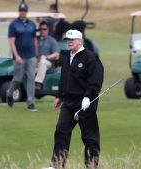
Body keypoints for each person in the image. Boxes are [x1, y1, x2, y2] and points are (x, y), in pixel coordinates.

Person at [43, 30, 104, 169]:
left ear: (80, 41)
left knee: (89, 137)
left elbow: (96, 80)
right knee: (61, 131)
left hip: (85, 102)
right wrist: (59, 96)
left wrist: (88, 96)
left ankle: (92, 165)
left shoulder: (90, 57)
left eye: (72, 39)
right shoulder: (66, 57)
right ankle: (57, 165)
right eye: (67, 39)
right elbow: (63, 79)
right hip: (68, 102)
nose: (69, 41)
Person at [6, 3, 38, 111]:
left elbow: (34, 40)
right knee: (18, 79)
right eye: (21, 11)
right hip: (19, 57)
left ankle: (30, 102)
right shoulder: (13, 25)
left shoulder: (32, 24)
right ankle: (9, 93)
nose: (23, 12)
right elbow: (12, 42)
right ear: (19, 11)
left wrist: (36, 54)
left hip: (31, 56)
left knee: (31, 78)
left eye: (24, 11)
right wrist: (17, 56)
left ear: (27, 12)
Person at [35, 21, 60, 90]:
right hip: (37, 62)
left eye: (44, 29)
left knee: (43, 62)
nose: (42, 31)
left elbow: (56, 54)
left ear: (48, 29)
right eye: (41, 29)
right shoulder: (36, 39)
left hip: (48, 63)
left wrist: (46, 57)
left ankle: (38, 83)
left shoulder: (52, 41)